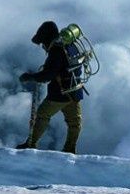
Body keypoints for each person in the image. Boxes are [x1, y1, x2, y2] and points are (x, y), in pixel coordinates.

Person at [17, 21, 83, 154]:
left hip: (60, 94)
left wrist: (30, 77)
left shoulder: (56, 51)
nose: (43, 46)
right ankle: (70, 148)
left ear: (47, 39)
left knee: (42, 115)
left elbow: (48, 75)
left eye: (42, 43)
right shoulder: (69, 45)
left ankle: (31, 144)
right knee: (74, 122)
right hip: (75, 90)